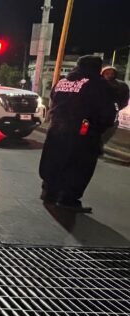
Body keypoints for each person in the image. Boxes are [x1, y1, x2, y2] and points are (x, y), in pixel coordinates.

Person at [39, 55, 117, 213]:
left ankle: (49, 193)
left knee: (54, 161)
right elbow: (107, 112)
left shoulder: (62, 81)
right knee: (79, 166)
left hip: (56, 129)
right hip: (83, 133)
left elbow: (53, 99)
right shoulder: (99, 84)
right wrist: (100, 128)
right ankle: (67, 199)